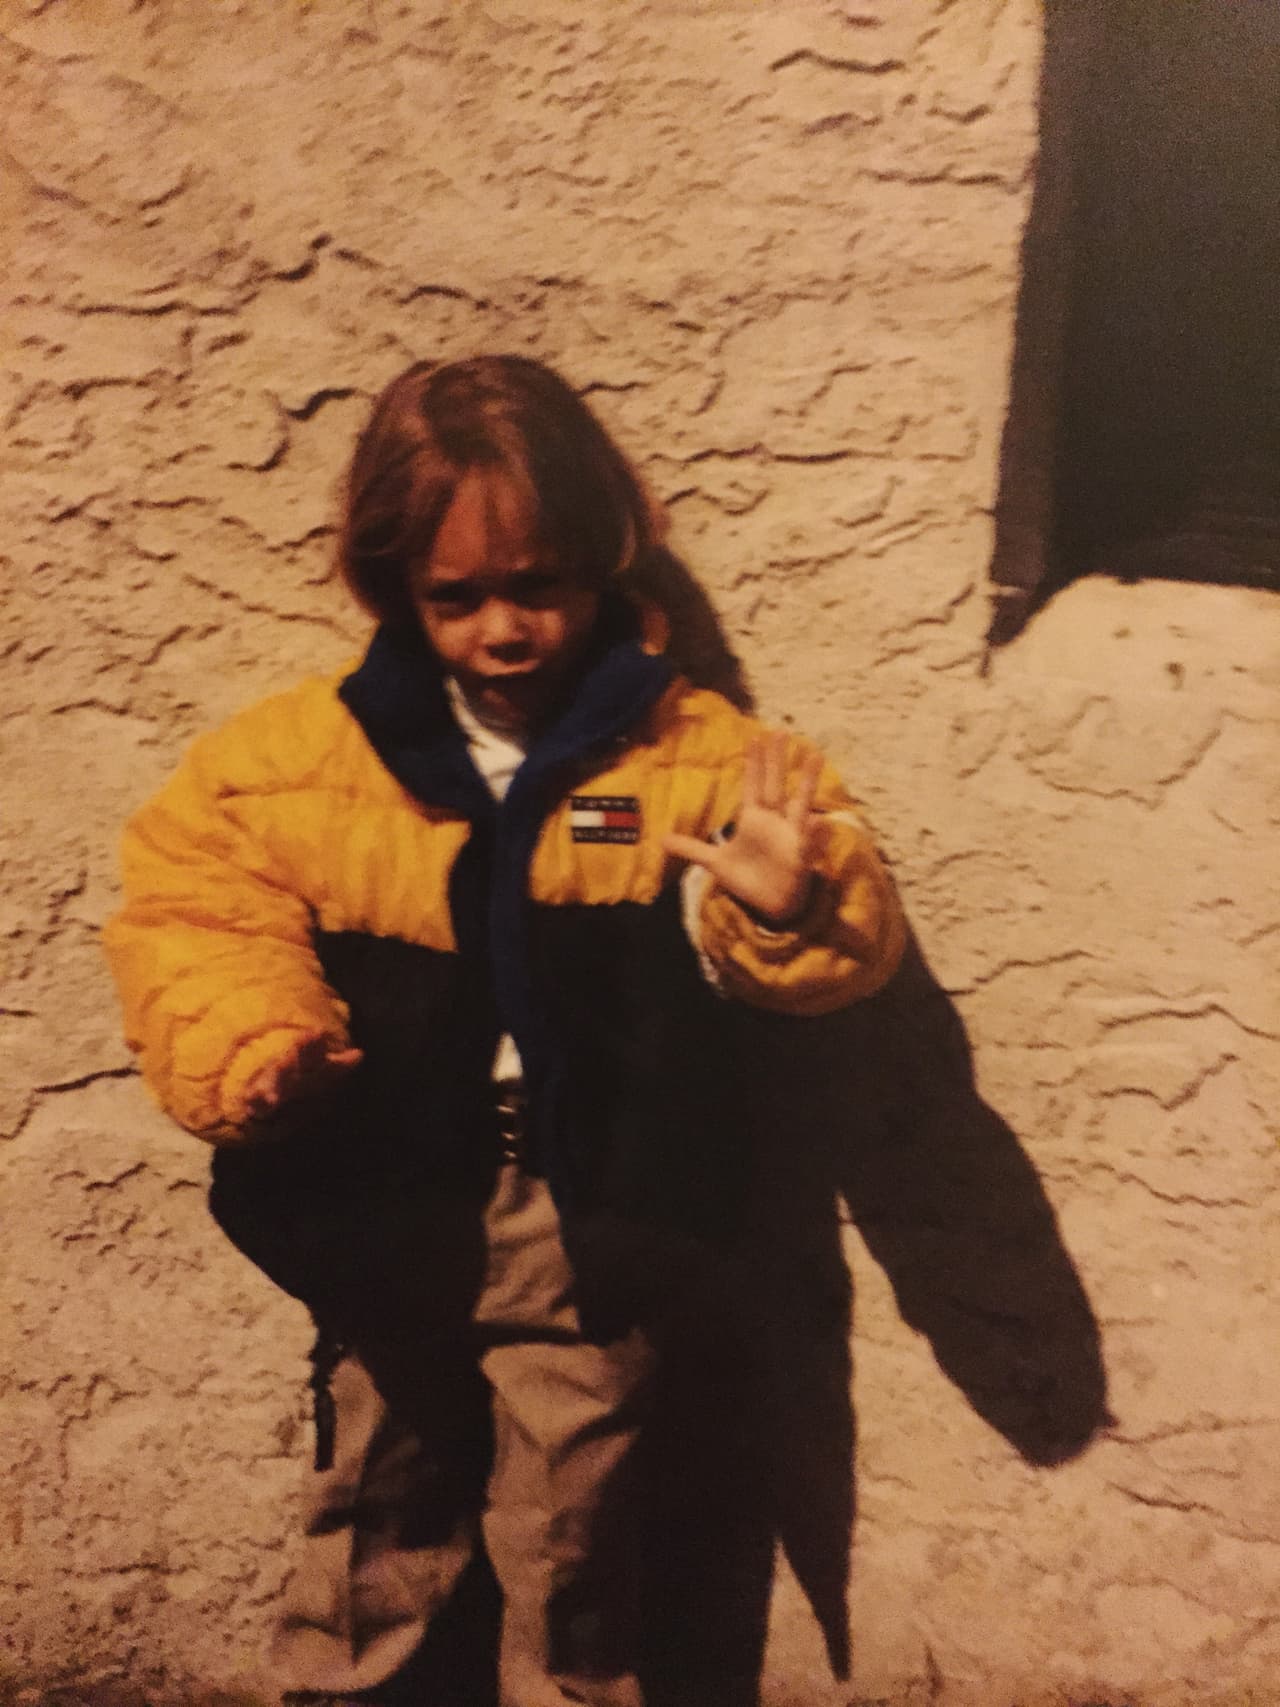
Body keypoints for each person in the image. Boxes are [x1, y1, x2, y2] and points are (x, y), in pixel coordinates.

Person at [104, 355, 906, 1707]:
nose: (505, 631)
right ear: (393, 589)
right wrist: (258, 1047)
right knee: (374, 1485)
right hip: (388, 1180)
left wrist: (786, 910)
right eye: (455, 598)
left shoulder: (696, 759)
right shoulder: (298, 756)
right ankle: (345, 1688)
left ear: (600, 565)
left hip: (594, 1202)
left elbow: (830, 937)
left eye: (539, 586)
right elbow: (195, 910)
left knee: (575, 1509)